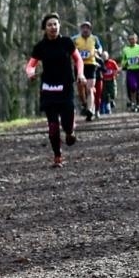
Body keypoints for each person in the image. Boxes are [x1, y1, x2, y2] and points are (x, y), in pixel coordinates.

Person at [27, 12, 86, 167]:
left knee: (67, 124)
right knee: (53, 126)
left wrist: (80, 74)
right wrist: (31, 73)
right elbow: (31, 65)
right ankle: (57, 156)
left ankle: (70, 131)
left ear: (59, 26)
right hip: (48, 89)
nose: (53, 27)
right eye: (49, 25)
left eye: (55, 24)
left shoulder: (67, 42)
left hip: (65, 87)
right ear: (45, 28)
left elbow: (78, 59)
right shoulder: (40, 46)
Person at [73, 20, 105, 119]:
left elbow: (100, 48)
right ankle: (84, 103)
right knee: (80, 88)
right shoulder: (75, 39)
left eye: (87, 28)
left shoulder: (94, 38)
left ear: (90, 30)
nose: (85, 30)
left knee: (90, 88)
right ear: (80, 29)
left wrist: (98, 51)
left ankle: (90, 110)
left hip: (91, 65)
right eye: (83, 28)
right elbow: (68, 47)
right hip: (79, 66)